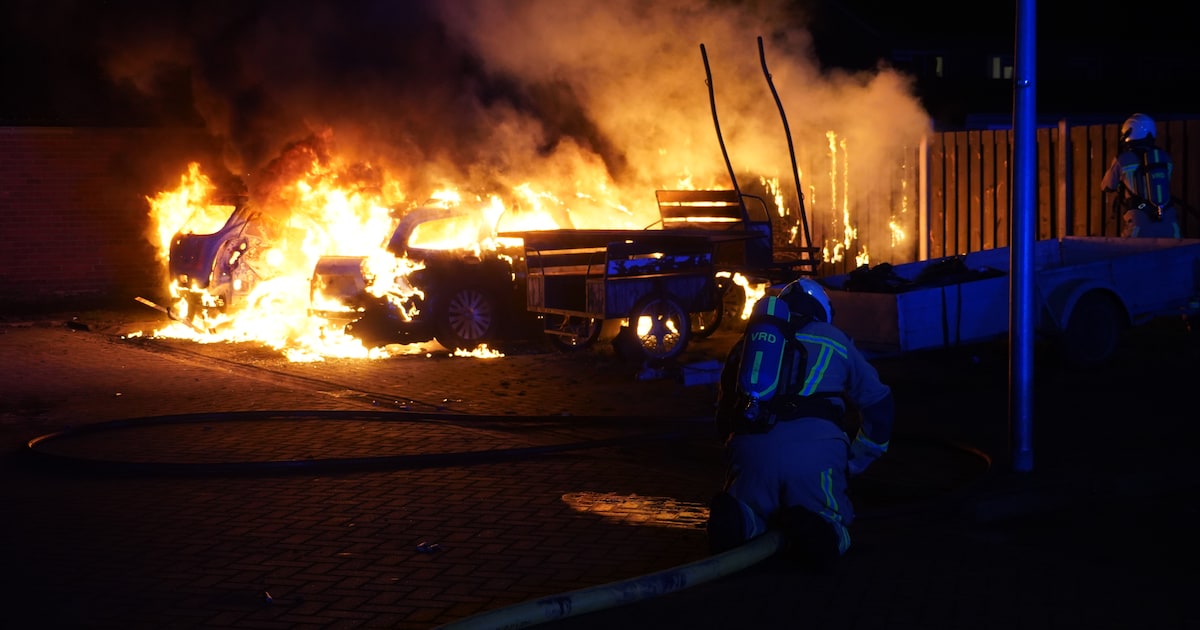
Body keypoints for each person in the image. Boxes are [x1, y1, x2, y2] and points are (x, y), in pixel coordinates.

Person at [706, 278, 894, 570]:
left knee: (750, 511)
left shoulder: (747, 346)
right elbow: (879, 405)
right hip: (814, 457)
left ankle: (742, 521)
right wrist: (855, 461)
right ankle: (815, 525)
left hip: (752, 453)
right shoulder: (834, 339)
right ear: (822, 310)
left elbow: (723, 417)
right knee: (831, 521)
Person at [1101, 113, 1181, 238]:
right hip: (1170, 222)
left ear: (1129, 132)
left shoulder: (1123, 159)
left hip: (1138, 223)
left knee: (1130, 256)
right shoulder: (1165, 157)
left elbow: (1106, 186)